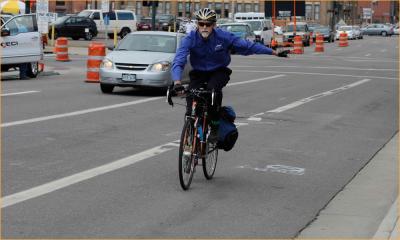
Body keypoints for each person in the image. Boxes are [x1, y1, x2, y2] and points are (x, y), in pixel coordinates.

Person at [171, 8, 289, 143]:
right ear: (197, 24)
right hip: (199, 73)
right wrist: (177, 82)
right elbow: (179, 60)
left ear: (214, 25)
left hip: (218, 71)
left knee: (213, 92)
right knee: (191, 100)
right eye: (201, 24)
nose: (204, 27)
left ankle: (215, 128)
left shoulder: (223, 36)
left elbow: (248, 46)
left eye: (208, 24)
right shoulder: (190, 38)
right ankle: (191, 131)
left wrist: (273, 52)